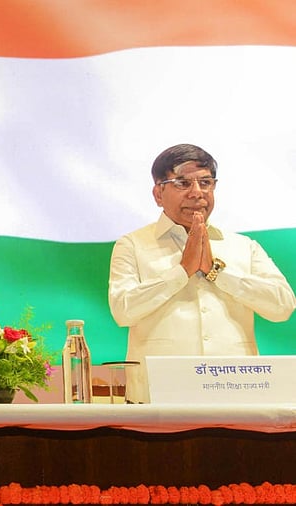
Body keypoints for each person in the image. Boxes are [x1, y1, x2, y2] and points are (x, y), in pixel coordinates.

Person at [108, 144, 295, 403]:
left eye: (205, 182)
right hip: (157, 402)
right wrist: (182, 271)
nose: (197, 193)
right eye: (182, 183)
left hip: (239, 399)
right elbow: (122, 310)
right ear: (158, 193)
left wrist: (217, 272)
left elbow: (282, 306)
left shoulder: (243, 246)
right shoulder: (132, 244)